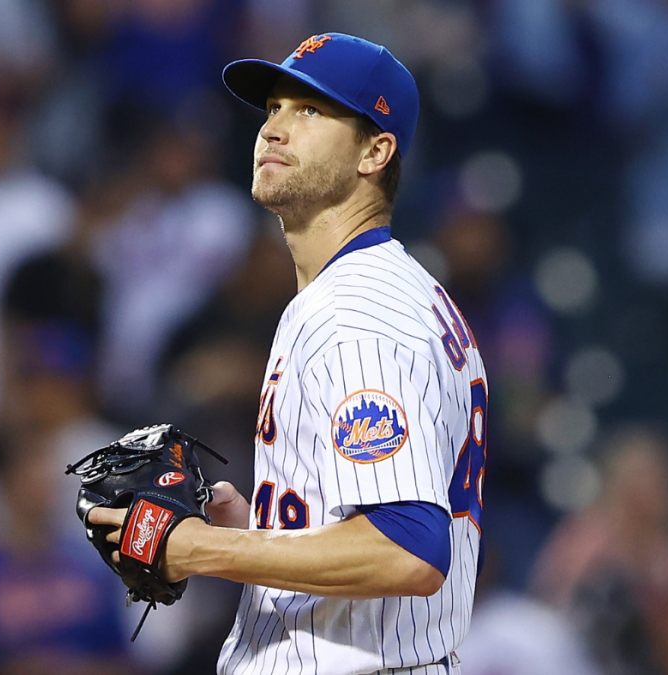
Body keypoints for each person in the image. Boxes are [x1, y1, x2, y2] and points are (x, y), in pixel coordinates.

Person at [87, 33, 488, 675]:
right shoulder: (374, 291)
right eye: (273, 107)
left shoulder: (359, 311)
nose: (274, 129)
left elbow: (407, 551)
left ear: (376, 151)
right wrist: (251, 529)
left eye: (310, 110)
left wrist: (198, 551)